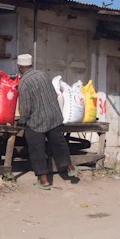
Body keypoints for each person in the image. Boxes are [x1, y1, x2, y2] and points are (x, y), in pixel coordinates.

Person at [16, 53, 77, 190]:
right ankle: (70, 167)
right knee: (59, 143)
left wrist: (23, 120)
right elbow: (52, 94)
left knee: (37, 148)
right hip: (54, 116)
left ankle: (44, 180)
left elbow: (25, 107)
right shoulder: (43, 75)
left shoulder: (24, 83)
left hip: (37, 121)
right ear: (31, 65)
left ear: (20, 67)